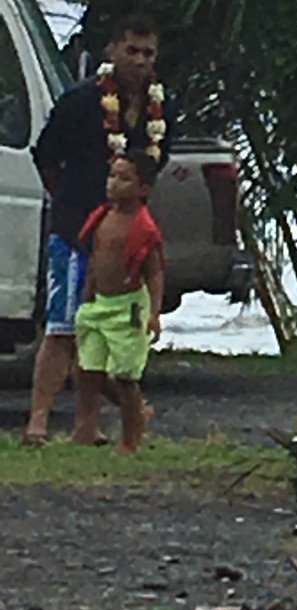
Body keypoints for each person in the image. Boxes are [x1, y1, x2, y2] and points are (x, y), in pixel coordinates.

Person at [24, 14, 175, 445]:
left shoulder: (160, 109)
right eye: (132, 51)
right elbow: (46, 156)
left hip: (129, 237)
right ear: (112, 51)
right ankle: (37, 421)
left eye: (149, 54)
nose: (141, 61)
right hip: (76, 230)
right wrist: (72, 200)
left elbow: (155, 164)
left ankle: (101, 424)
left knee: (113, 336)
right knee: (64, 326)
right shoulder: (79, 102)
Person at [71, 151, 165, 455]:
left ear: (143, 189)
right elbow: (96, 260)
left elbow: (154, 274)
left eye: (125, 179)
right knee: (87, 368)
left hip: (128, 307)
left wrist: (154, 313)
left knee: (125, 376)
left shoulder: (144, 228)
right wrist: (89, 292)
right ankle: (87, 428)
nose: (114, 184)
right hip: (99, 304)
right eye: (112, 176)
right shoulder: (103, 217)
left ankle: (130, 439)